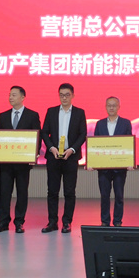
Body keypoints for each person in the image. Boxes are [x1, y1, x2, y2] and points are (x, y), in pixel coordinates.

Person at [0, 86, 41, 234]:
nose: (10, 97)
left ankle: (19, 222)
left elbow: (37, 137)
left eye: (14, 95)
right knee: (4, 192)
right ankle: (3, 221)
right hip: (6, 162)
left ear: (22, 97)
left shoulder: (32, 115)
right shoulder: (3, 115)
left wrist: (34, 154)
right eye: (9, 95)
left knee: (22, 192)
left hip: (23, 163)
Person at [40, 83, 86, 234]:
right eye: (61, 95)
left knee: (69, 191)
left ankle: (67, 222)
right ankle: (52, 222)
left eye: (67, 95)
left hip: (70, 157)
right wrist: (51, 147)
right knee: (52, 191)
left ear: (73, 95)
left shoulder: (79, 113)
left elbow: (83, 134)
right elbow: (44, 132)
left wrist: (72, 150)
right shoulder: (51, 111)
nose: (64, 98)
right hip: (54, 156)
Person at [93, 96, 133, 227]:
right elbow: (95, 145)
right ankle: (105, 222)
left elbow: (128, 144)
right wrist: (93, 162)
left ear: (119, 107)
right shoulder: (100, 124)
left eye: (114, 105)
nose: (111, 107)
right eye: (109, 105)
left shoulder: (126, 123)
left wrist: (130, 161)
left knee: (119, 196)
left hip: (119, 167)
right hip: (103, 167)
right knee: (104, 196)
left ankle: (117, 221)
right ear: (105, 107)